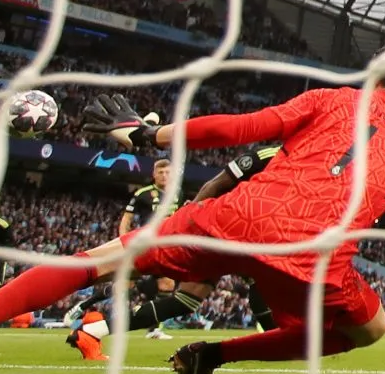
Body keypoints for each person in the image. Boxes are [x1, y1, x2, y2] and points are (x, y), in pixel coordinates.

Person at [0, 42, 385, 374]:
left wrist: (152, 135)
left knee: (94, 262)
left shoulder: (332, 100)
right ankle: (214, 355)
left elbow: (240, 129)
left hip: (235, 213)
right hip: (313, 250)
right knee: (366, 332)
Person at [65, 147, 281, 360]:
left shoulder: (176, 192)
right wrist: (190, 216)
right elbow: (216, 183)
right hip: (215, 227)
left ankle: (93, 331)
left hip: (224, 231)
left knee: (185, 300)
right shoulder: (270, 155)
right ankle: (276, 340)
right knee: (259, 277)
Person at [118, 158, 181, 339]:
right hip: (144, 246)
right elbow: (126, 220)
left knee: (167, 284)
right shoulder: (143, 193)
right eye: (160, 172)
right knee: (125, 283)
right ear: (153, 174)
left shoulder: (178, 193)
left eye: (167, 172)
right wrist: (124, 242)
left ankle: (153, 329)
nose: (164, 175)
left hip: (165, 248)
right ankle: (90, 309)